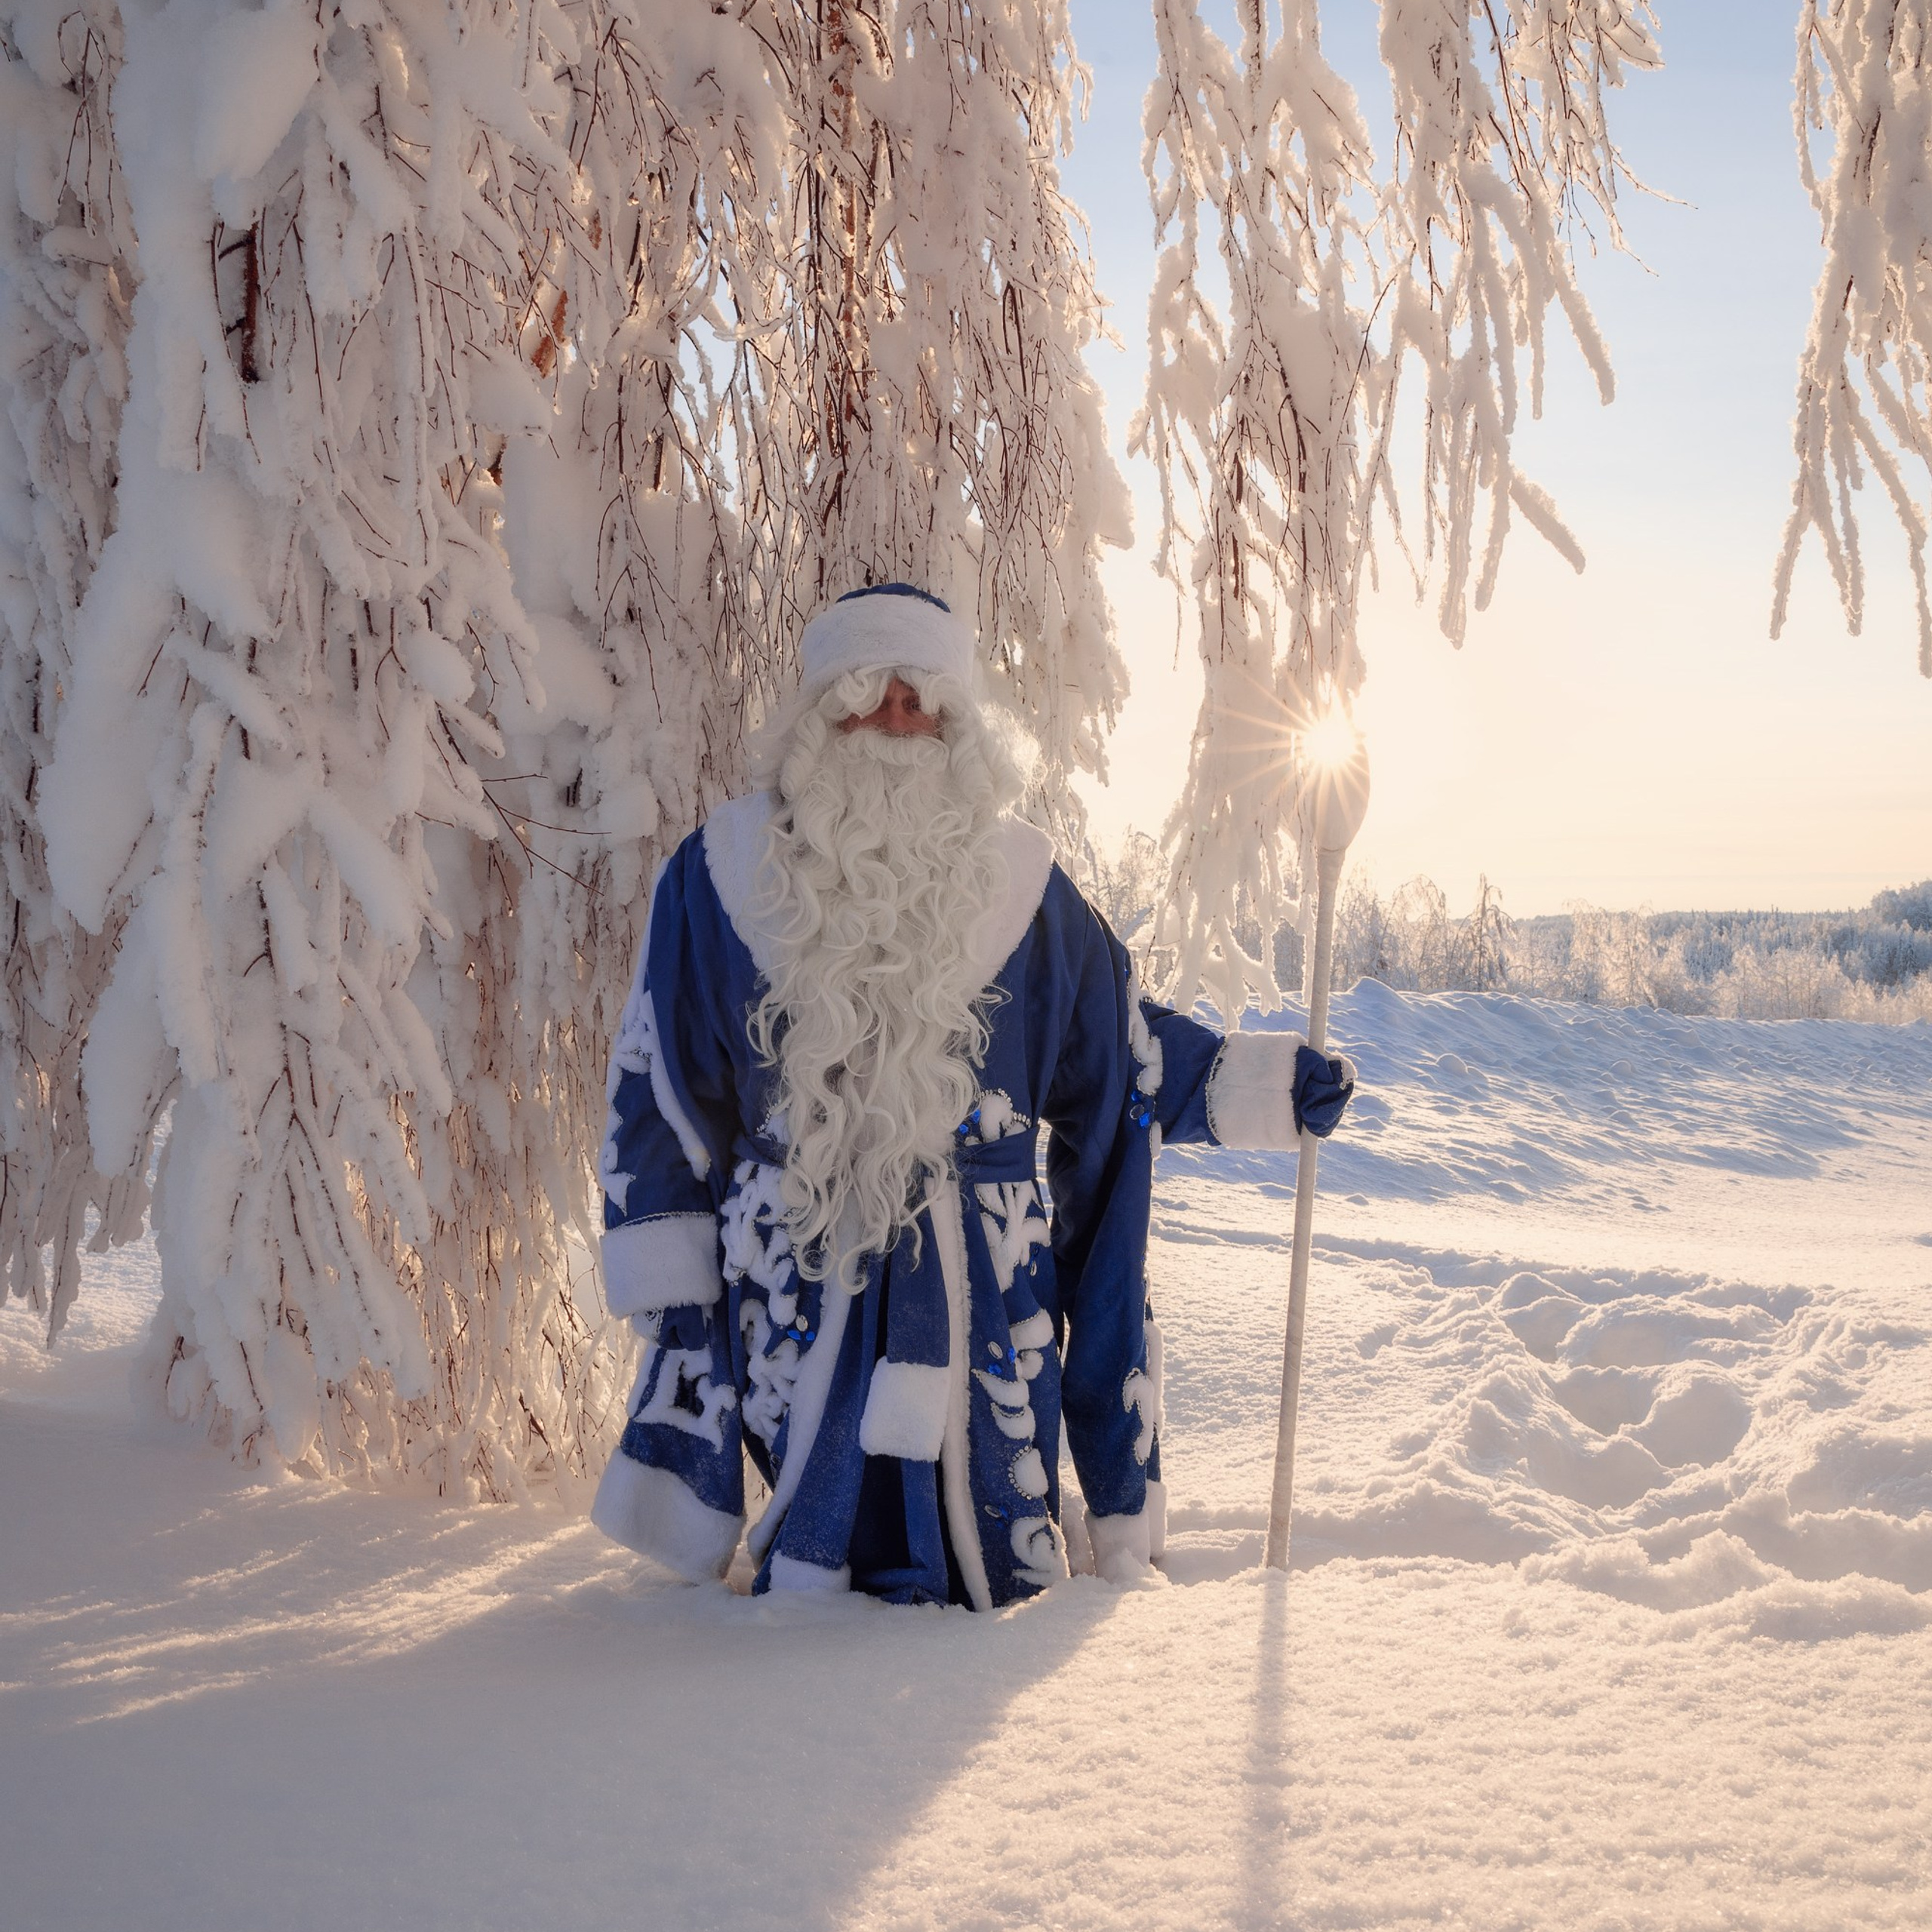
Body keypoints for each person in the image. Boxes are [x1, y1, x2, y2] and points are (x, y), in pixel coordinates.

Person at [591, 583, 1354, 1608]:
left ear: (962, 725)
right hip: (796, 1282)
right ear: (820, 717)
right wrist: (671, 1272)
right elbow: (658, 1087)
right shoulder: (720, 880)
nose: (898, 720)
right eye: (870, 694)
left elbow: (1116, 1050)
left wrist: (1248, 1083)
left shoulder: (1023, 892)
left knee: (984, 1557)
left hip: (982, 1294)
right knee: (811, 1569)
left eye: (924, 699)